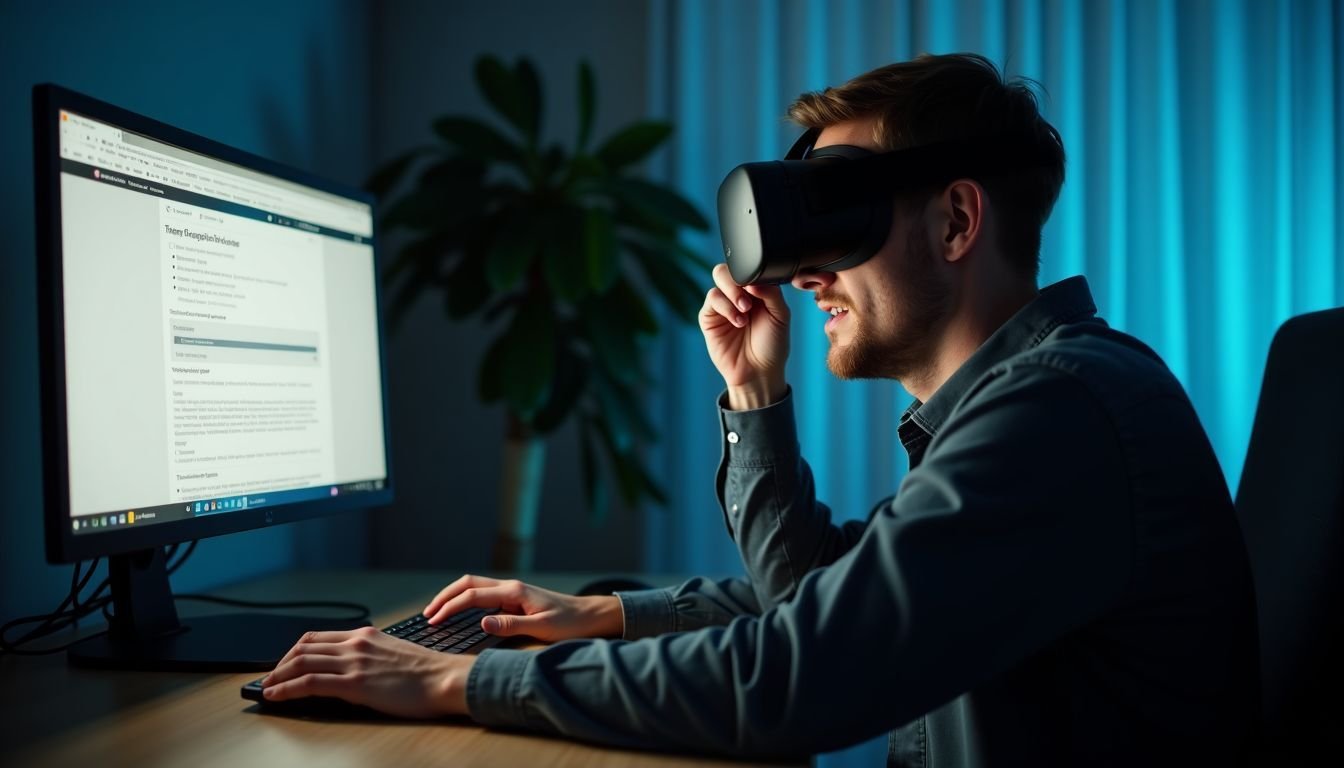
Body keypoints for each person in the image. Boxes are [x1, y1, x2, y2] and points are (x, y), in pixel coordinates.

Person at [262, 54, 1259, 766]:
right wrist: (607, 610)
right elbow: (830, 599)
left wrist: (455, 682)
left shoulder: (1061, 413)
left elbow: (801, 675)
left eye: (841, 209)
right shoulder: (1036, 401)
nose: (809, 268)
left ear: (956, 220)